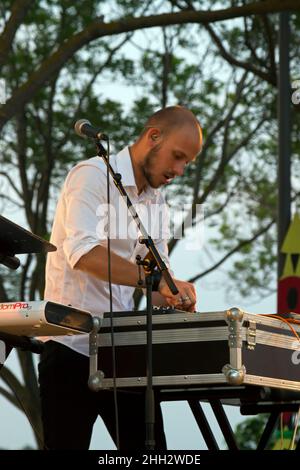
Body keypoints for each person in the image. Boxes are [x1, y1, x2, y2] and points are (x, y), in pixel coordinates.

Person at [39, 105, 203, 450]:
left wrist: (176, 293)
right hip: (69, 345)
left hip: (121, 352)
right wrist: (157, 281)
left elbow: (159, 278)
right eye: (177, 157)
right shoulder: (92, 175)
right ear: (153, 136)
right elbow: (82, 253)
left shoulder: (156, 202)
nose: (179, 170)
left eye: (186, 163)